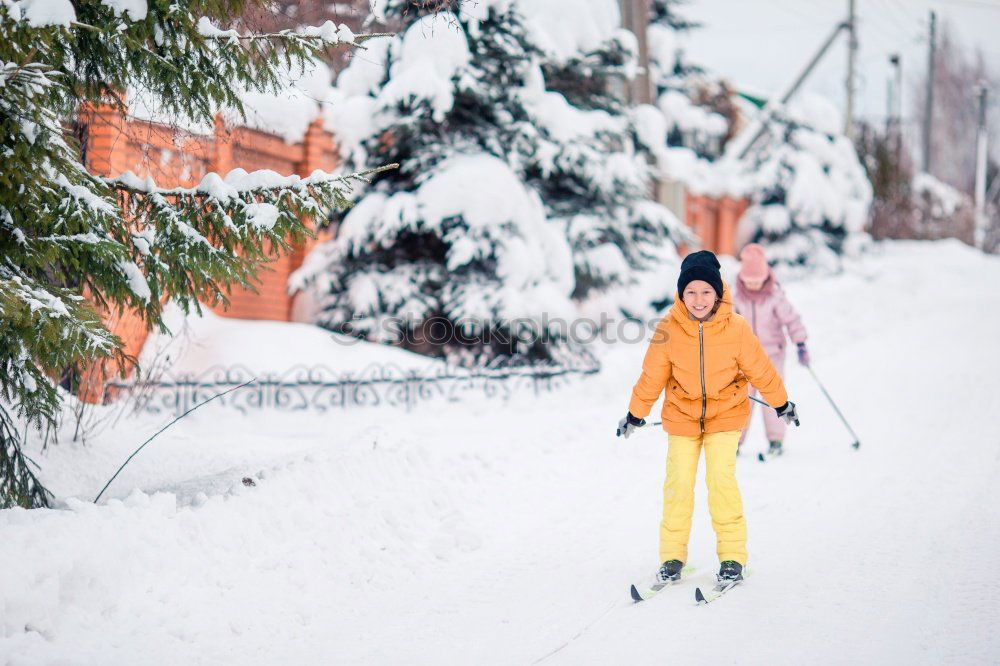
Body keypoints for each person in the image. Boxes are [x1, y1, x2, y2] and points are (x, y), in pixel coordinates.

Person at [616, 250, 799, 588]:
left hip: (726, 416)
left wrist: (781, 403)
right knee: (678, 485)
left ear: (718, 292)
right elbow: (651, 376)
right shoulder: (668, 329)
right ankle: (672, 557)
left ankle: (732, 559)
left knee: (720, 482)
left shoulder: (737, 328)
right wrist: (635, 414)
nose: (698, 300)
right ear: (681, 294)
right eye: (691, 292)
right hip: (682, 417)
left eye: (705, 292)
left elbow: (761, 369)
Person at [732, 243, 809, 457]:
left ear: (765, 277)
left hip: (771, 356)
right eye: (749, 281)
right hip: (743, 358)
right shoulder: (735, 296)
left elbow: (792, 319)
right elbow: (725, 321)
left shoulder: (775, 296)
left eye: (757, 281)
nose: (754, 285)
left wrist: (800, 343)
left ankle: (776, 440)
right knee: (740, 399)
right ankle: (735, 441)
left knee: (771, 398)